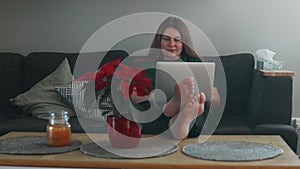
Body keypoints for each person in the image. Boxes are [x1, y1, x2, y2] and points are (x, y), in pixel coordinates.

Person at [132, 16, 220, 139]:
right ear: (159, 41)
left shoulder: (198, 63)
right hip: (158, 112)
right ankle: (180, 116)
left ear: (184, 42)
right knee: (152, 110)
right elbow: (133, 96)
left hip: (179, 116)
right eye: (166, 39)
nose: (171, 44)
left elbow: (216, 99)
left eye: (177, 40)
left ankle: (179, 110)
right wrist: (153, 97)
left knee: (196, 106)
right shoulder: (144, 64)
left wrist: (201, 94)